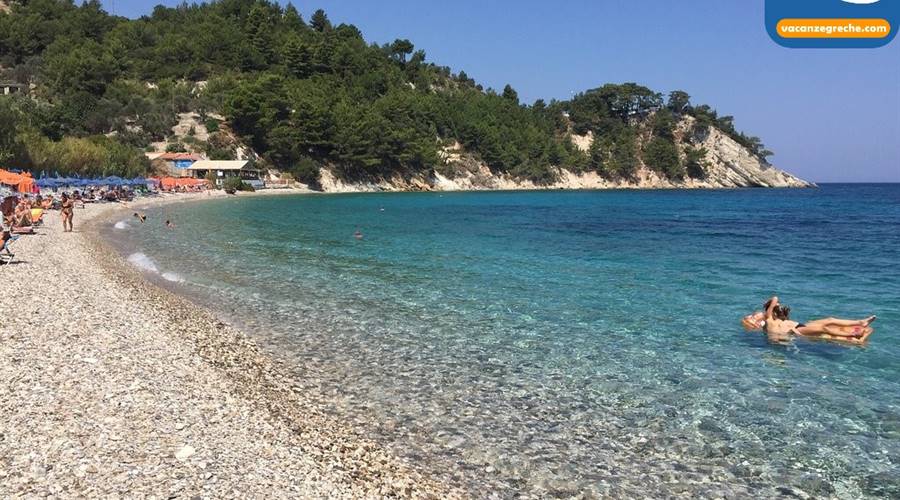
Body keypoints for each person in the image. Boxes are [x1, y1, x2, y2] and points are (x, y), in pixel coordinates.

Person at [756, 296, 875, 344]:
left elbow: (775, 299)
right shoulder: (769, 319)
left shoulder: (779, 319)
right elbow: (775, 298)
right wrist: (768, 304)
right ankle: (851, 334)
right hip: (793, 332)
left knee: (830, 319)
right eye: (777, 308)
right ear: (771, 311)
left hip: (799, 326)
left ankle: (860, 322)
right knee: (824, 328)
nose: (779, 308)